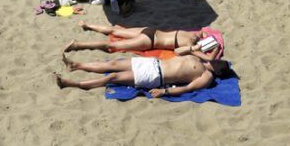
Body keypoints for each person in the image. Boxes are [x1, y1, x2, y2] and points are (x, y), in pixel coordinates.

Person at [57, 53, 231, 96]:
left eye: (218, 64)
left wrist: (165, 92)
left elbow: (189, 88)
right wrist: (198, 52)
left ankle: (71, 84)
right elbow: (180, 50)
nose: (215, 61)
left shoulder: (208, 77)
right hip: (152, 63)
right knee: (113, 64)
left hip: (156, 76)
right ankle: (76, 65)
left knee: (112, 78)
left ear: (218, 71)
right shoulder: (199, 58)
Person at [65, 22, 224, 60]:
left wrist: (207, 40)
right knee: (112, 46)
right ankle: (78, 45)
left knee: (116, 30)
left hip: (152, 30)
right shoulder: (191, 45)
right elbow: (177, 52)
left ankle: (87, 25)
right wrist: (196, 49)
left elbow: (205, 30)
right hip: (149, 40)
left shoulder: (193, 34)